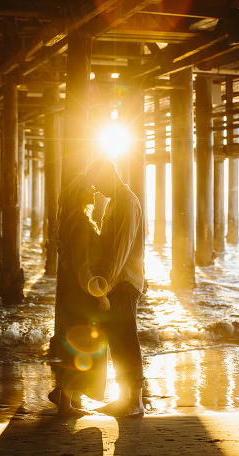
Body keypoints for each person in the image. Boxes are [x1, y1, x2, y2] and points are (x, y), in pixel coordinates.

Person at [87, 158, 146, 418]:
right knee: (116, 341)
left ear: (109, 174)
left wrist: (106, 285)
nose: (96, 190)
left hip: (124, 282)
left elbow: (121, 249)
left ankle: (136, 402)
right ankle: (124, 398)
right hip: (115, 282)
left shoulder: (128, 202)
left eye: (97, 183)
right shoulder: (114, 202)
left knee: (127, 339)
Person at [49, 173, 110, 417]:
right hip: (80, 295)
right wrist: (99, 294)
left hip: (69, 294)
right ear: (80, 193)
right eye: (89, 187)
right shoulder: (82, 225)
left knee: (74, 347)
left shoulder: (69, 221)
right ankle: (65, 405)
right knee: (82, 348)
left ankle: (63, 397)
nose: (94, 190)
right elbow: (83, 267)